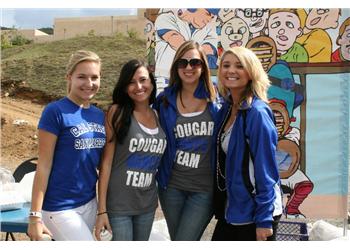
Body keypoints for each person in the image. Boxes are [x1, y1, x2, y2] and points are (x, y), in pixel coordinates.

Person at [27, 50, 106, 241]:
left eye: (94, 77)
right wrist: (35, 216)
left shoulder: (100, 115)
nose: (89, 83)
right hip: (60, 207)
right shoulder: (55, 111)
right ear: (69, 77)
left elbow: (102, 164)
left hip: (89, 203)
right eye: (82, 77)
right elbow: (43, 165)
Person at [212, 46, 283, 241]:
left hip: (258, 212)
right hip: (234, 209)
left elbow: (266, 169)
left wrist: (264, 219)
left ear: (251, 73)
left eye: (239, 66)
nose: (231, 71)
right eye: (226, 65)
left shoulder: (257, 113)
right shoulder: (225, 110)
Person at [153, 40, 220, 240]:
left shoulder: (216, 98)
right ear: (176, 67)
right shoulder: (164, 100)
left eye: (195, 62)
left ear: (203, 67)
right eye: (182, 63)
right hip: (171, 188)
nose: (188, 67)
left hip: (204, 190)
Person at [94, 59, 167, 241]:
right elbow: (106, 163)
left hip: (147, 205)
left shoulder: (158, 115)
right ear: (125, 87)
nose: (138, 86)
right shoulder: (117, 112)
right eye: (131, 82)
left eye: (143, 80)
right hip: (118, 205)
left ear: (151, 81)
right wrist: (101, 209)